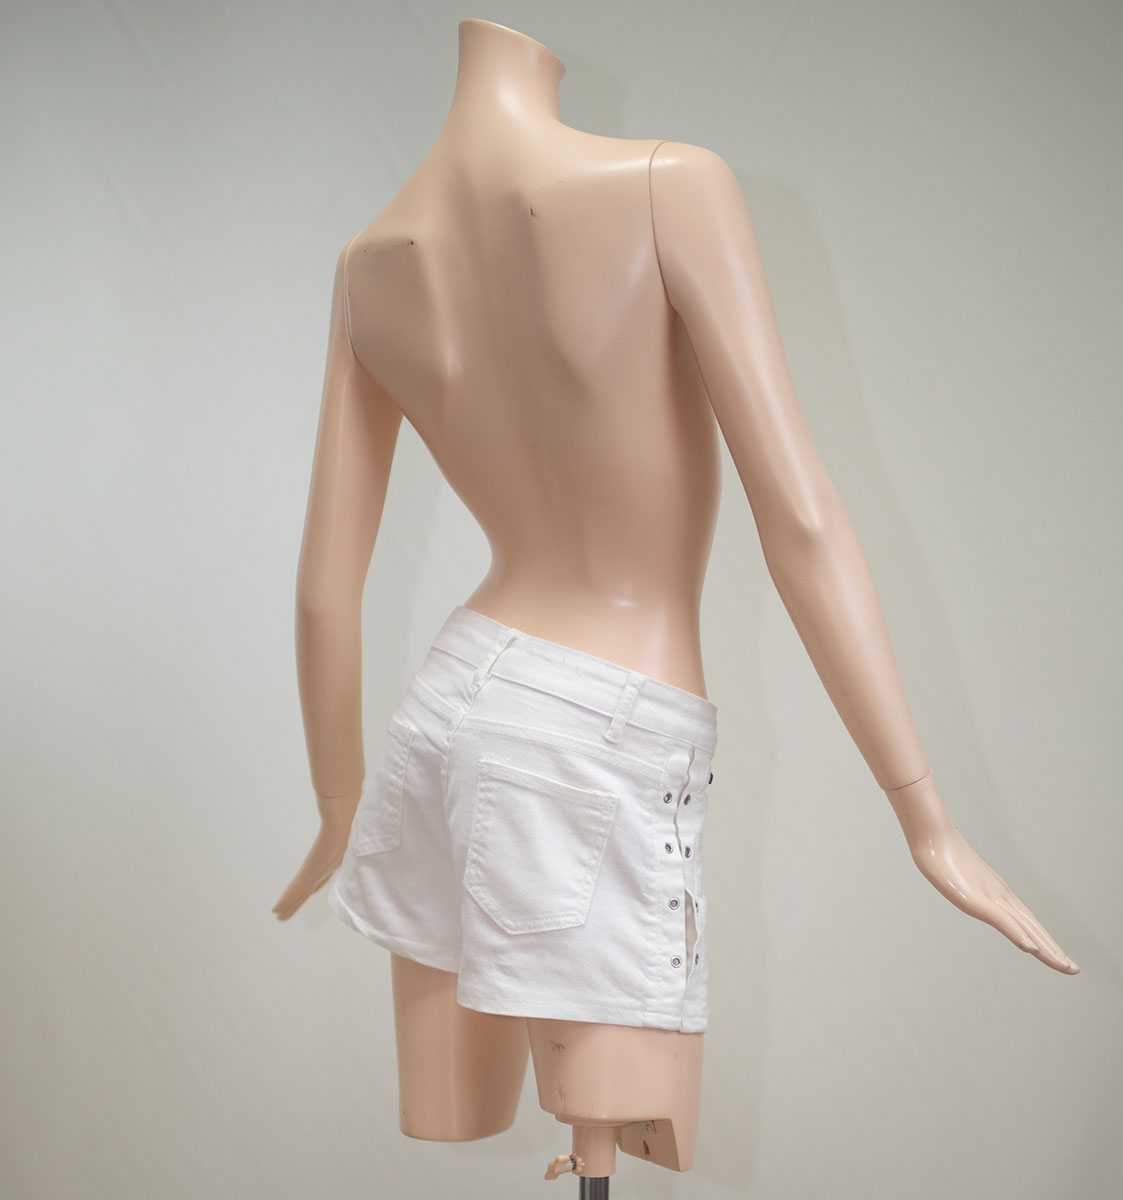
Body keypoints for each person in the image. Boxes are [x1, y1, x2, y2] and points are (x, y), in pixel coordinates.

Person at [273, 17, 1078, 1180]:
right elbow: (800, 516)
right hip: (596, 727)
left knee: (472, 1119)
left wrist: (339, 804)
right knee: (624, 1142)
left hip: (448, 705)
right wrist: (926, 819)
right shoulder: (666, 185)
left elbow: (322, 588)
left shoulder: (371, 264)